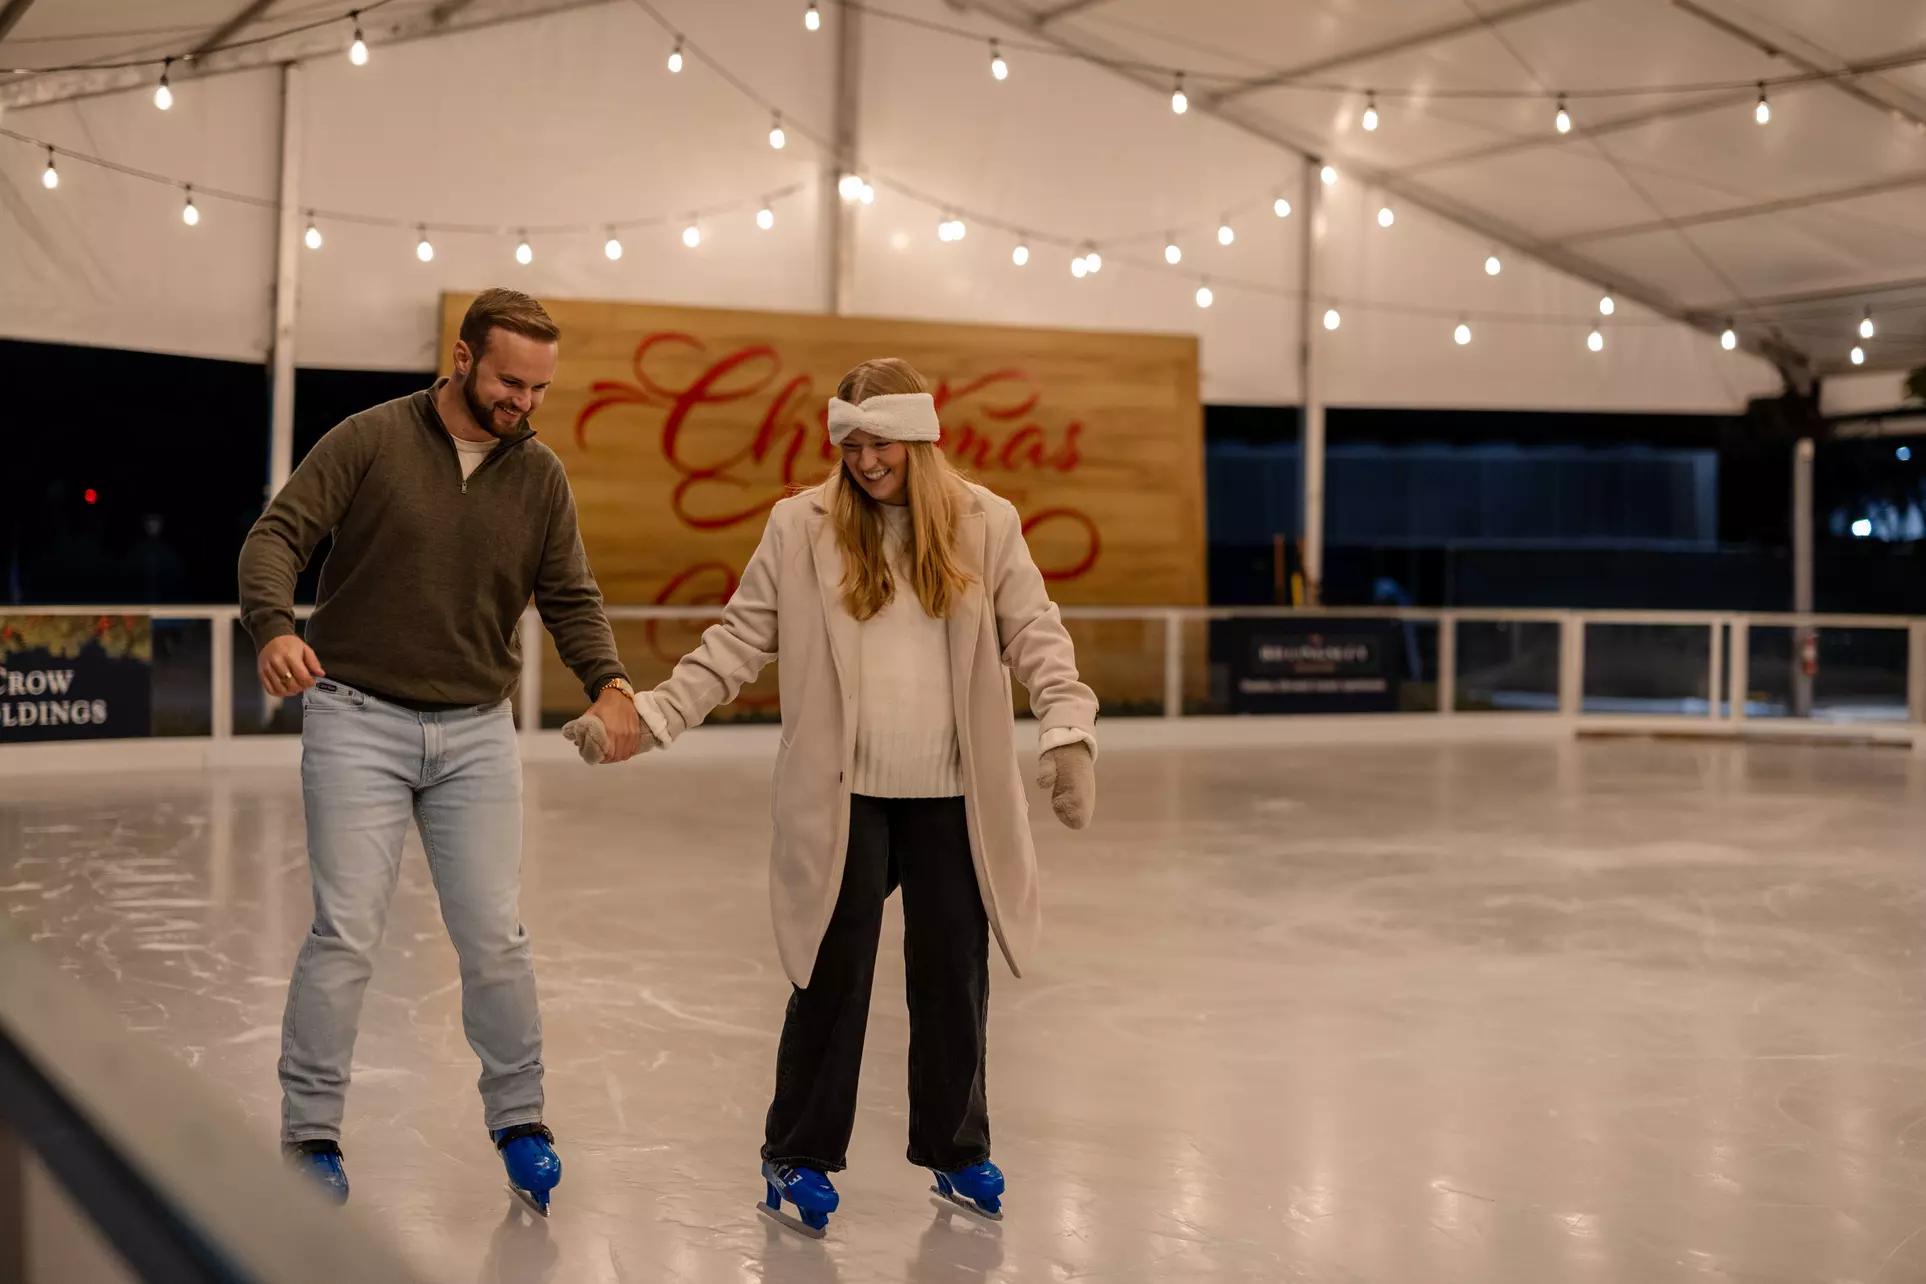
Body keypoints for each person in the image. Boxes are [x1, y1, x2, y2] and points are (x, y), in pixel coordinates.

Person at [569, 357, 1097, 1235]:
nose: (864, 460)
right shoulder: (800, 525)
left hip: (951, 798)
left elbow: (1036, 634)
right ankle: (797, 1156)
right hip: (844, 796)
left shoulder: (984, 523)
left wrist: (1068, 728)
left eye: (880, 441)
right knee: (831, 973)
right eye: (848, 442)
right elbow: (737, 642)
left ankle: (956, 1152)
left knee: (952, 978)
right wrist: (653, 716)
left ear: (920, 437)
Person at [238, 288, 643, 1213]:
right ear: (462, 359)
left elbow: (570, 597)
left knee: (495, 938)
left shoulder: (538, 476)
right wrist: (272, 626)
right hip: (355, 718)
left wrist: (610, 683)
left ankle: (521, 1118)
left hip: (474, 733)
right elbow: (278, 537)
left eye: (540, 388)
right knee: (343, 934)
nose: (524, 403)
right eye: (510, 381)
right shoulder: (370, 438)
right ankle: (310, 1132)